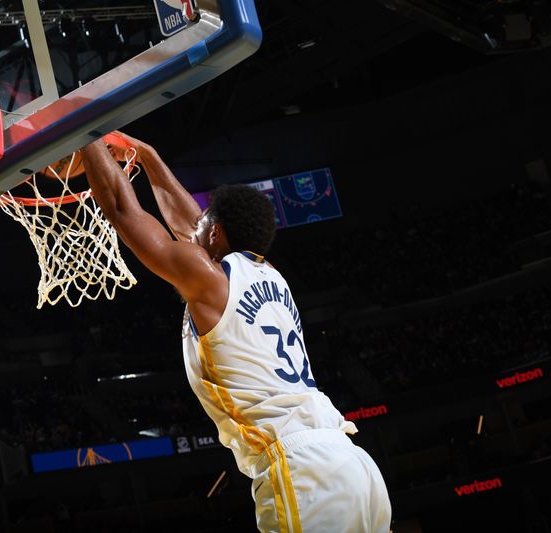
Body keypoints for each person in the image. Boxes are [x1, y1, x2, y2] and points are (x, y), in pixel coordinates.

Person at [81, 132, 392, 533]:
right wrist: (146, 156)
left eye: (204, 225)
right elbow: (191, 226)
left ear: (214, 233)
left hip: (303, 468)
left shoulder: (211, 281)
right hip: (351, 462)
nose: (193, 229)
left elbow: (124, 211)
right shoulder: (269, 275)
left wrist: (83, 132)